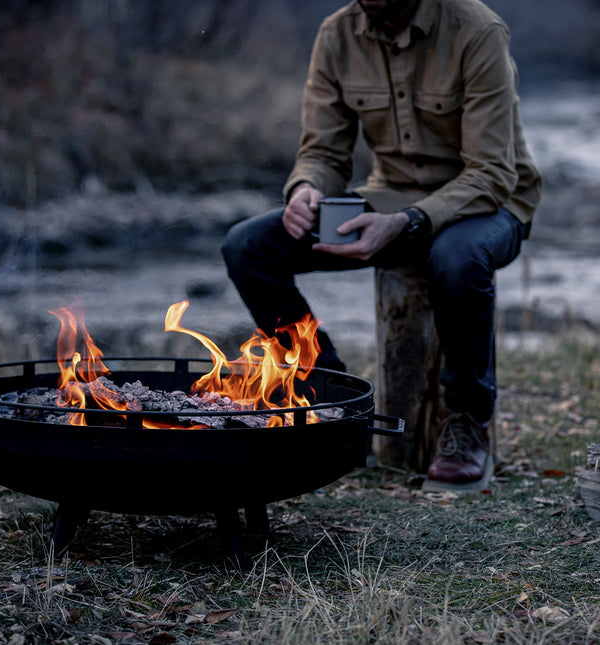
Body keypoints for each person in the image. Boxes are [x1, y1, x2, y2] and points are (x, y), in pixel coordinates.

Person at [221, 0, 541, 492]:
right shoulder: (337, 33)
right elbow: (324, 152)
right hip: (387, 195)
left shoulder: (477, 30)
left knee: (456, 259)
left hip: (487, 202)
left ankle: (467, 421)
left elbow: (492, 173)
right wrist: (306, 189)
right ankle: (327, 396)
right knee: (248, 247)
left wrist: (408, 222)